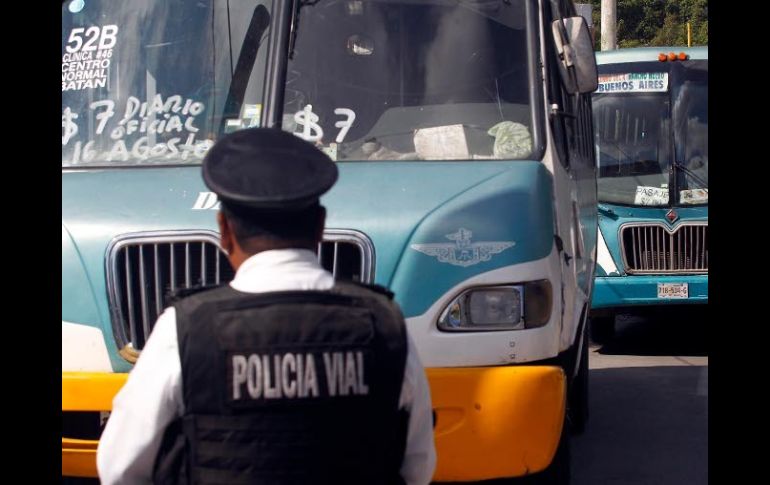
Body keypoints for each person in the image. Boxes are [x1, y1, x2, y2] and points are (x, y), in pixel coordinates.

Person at [97, 128, 436, 484]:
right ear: (320, 226)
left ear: (224, 230)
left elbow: (119, 468)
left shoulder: (184, 328)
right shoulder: (384, 324)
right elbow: (418, 467)